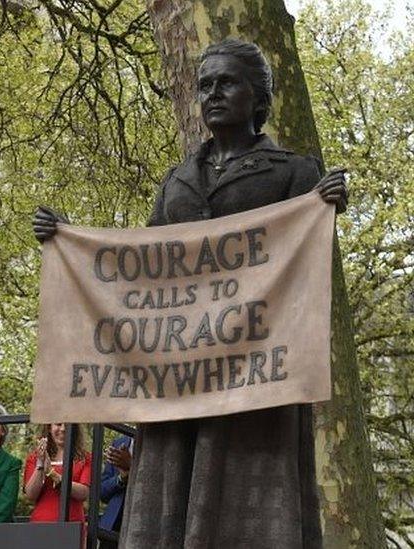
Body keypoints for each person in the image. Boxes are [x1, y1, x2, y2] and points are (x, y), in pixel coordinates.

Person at [32, 38, 347, 547]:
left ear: (258, 99)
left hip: (255, 380)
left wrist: (323, 209)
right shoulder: (176, 181)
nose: (213, 94)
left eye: (227, 83)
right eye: (205, 85)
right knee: (168, 499)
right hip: (177, 379)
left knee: (246, 498)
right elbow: (143, 274)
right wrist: (72, 244)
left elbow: (305, 274)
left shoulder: (295, 172)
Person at [22, 424, 91, 524]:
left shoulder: (85, 458)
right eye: (58, 424)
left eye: (67, 424)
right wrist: (40, 464)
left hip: (71, 525)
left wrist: (53, 474)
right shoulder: (34, 458)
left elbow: (83, 493)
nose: (63, 429)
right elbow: (31, 495)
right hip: (40, 525)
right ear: (49, 428)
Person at [99, 435, 132, 549]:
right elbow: (102, 493)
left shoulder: (161, 442)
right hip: (113, 528)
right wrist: (121, 478)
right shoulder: (119, 443)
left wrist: (132, 466)